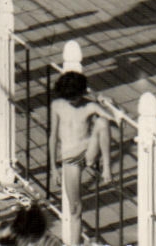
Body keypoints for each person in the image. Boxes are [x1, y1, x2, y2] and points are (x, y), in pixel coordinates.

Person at [49, 69, 112, 242]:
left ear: (82, 93)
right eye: (69, 98)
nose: (72, 102)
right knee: (75, 209)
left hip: (88, 152)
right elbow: (53, 136)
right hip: (70, 159)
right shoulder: (57, 105)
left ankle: (107, 168)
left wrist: (108, 103)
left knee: (102, 122)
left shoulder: (90, 106)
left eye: (75, 98)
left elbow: (116, 120)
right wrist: (54, 168)